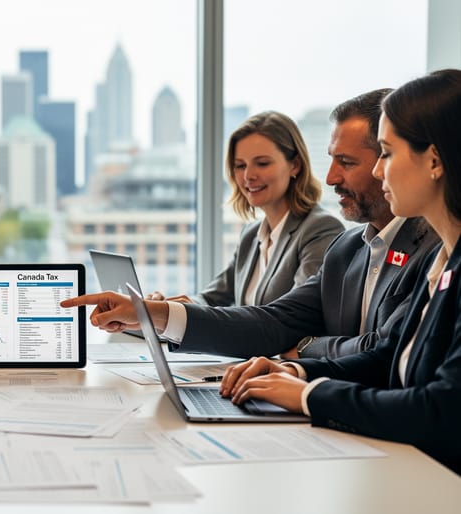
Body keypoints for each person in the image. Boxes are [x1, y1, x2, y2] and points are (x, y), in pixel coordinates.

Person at [61, 89, 439, 359]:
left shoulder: (432, 248)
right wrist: (149, 313)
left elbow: (385, 348)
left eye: (349, 162)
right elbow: (271, 321)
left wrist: (304, 355)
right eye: (240, 166)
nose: (332, 178)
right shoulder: (348, 249)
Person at [221, 69, 461, 475]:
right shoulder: (446, 261)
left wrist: (310, 396)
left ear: (434, 160)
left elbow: (438, 409)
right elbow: (388, 358)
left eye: (386, 153)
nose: (379, 171)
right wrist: (294, 371)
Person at [151, 111, 343, 306]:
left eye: (262, 163)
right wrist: (168, 308)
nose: (248, 175)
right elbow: (211, 297)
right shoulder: (251, 235)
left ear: (295, 165)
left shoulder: (320, 229)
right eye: (240, 165)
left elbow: (294, 313)